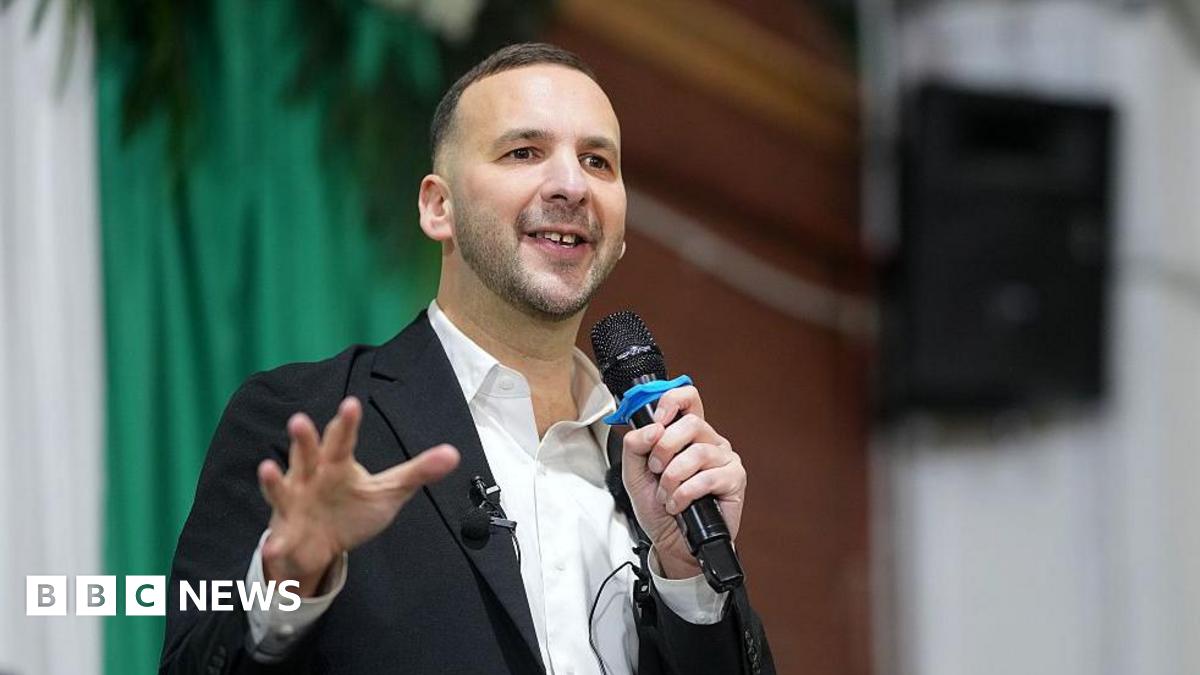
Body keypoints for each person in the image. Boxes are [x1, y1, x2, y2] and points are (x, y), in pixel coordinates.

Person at [160, 42, 773, 675]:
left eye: (597, 161)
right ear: (437, 207)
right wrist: (286, 589)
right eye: (523, 152)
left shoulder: (661, 476)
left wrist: (687, 579)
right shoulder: (309, 424)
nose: (571, 185)